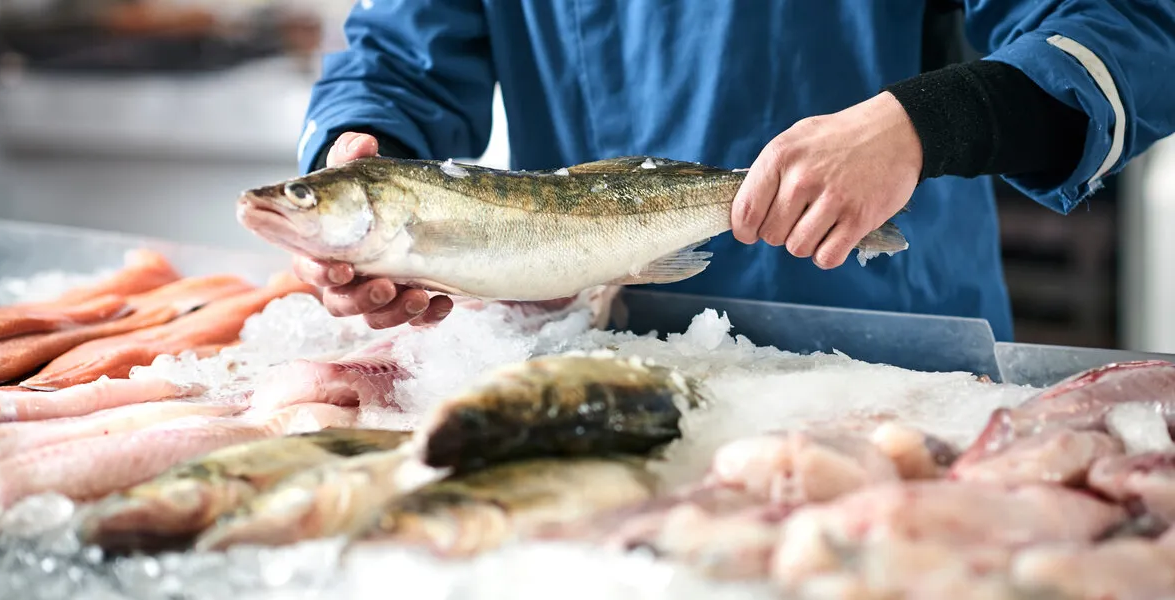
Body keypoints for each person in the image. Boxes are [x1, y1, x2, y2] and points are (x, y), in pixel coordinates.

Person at [289, 1, 1175, 341]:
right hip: (594, 345)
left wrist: (924, 124)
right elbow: (397, 60)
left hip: (889, 351)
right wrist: (360, 159)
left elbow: (1128, 31)